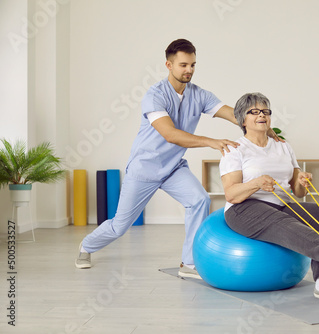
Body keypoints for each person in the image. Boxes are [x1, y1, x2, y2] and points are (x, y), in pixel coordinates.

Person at [75, 39, 278, 278]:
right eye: (183, 65)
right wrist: (211, 142)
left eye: (192, 65)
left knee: (199, 200)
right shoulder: (155, 95)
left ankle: (189, 264)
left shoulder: (198, 94)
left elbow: (234, 114)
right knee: (120, 225)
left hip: (173, 168)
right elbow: (170, 135)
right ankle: (86, 247)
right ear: (168, 65)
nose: (189, 70)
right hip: (145, 169)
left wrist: (262, 125)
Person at [220, 92, 319, 303]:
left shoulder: (283, 146)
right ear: (242, 119)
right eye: (254, 111)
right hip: (244, 208)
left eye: (265, 111)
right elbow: (231, 193)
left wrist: (302, 181)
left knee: (318, 211)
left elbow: (297, 192)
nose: (261, 115)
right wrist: (256, 183)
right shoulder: (235, 150)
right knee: (280, 220)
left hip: (280, 204)